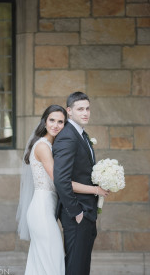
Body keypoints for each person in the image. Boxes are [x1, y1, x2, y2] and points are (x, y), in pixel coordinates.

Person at [16, 103, 109, 275]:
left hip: (49, 209)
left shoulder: (53, 146)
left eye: (60, 122)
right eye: (52, 120)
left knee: (43, 261)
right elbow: (61, 182)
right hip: (41, 211)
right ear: (44, 122)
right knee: (53, 260)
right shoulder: (43, 147)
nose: (55, 125)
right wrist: (96, 190)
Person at [53, 91, 110, 275]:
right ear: (69, 111)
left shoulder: (82, 134)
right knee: (76, 267)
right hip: (77, 213)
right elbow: (61, 179)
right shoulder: (68, 136)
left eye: (87, 108)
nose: (85, 113)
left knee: (82, 266)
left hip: (87, 211)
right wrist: (77, 212)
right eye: (80, 109)